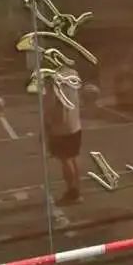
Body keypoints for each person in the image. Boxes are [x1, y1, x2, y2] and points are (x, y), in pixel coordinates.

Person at [42, 66, 83, 206]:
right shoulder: (73, 73)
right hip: (75, 122)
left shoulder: (53, 80)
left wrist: (47, 126)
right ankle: (76, 189)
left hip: (60, 126)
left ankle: (72, 192)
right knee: (73, 157)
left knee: (65, 159)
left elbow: (51, 105)